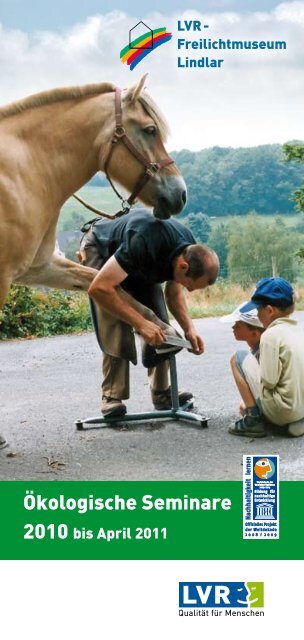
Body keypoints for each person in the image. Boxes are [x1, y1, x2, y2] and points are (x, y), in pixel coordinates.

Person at [79, 208, 219, 417]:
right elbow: (100, 289)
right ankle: (112, 396)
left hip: (139, 262)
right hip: (102, 250)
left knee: (161, 324)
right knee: (116, 322)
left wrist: (189, 329)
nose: (188, 290)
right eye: (190, 285)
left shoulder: (188, 247)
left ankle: (161, 393)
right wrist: (141, 323)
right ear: (183, 266)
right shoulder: (143, 240)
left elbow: (173, 295)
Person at [227, 277, 304, 438]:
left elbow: (269, 381)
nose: (257, 314)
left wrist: (252, 403)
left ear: (269, 310)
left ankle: (253, 420)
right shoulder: (297, 331)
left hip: (280, 411)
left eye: (258, 309)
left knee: (238, 357)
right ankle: (296, 420)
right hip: (299, 408)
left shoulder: (270, 335)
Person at [220, 302, 264, 417]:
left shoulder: (262, 353)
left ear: (254, 334)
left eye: (238, 325)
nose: (233, 327)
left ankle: (253, 417)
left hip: (275, 404)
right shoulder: (258, 348)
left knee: (237, 358)